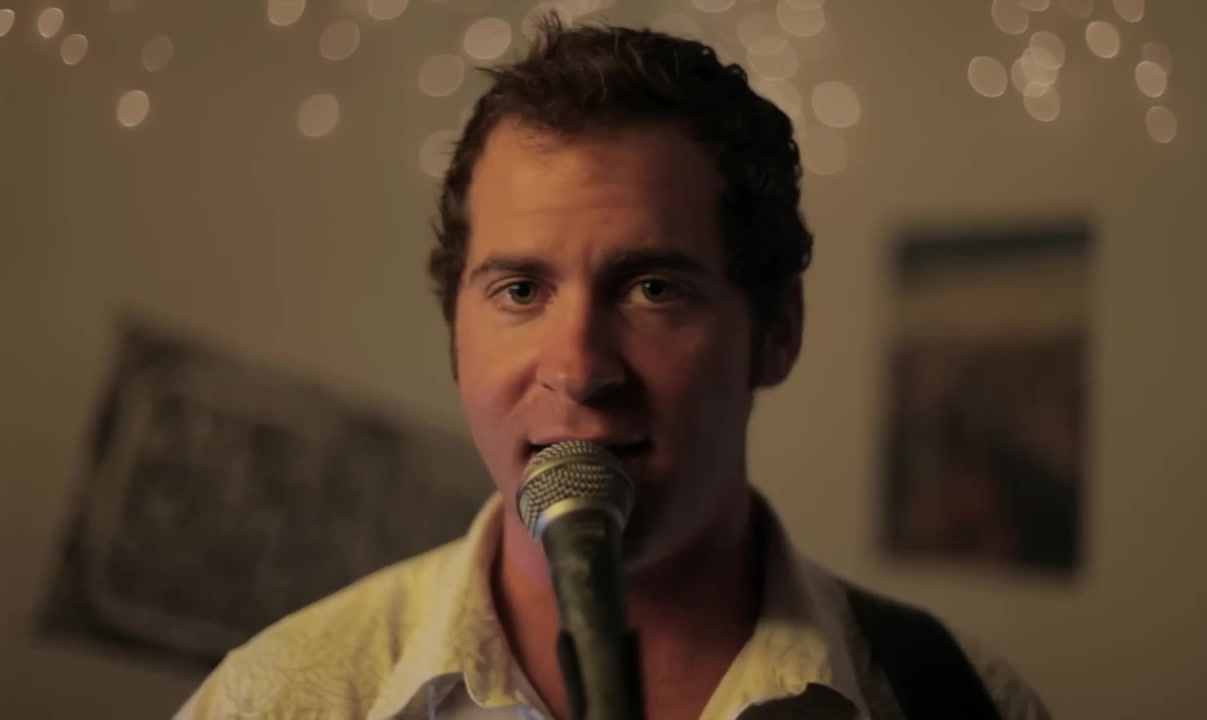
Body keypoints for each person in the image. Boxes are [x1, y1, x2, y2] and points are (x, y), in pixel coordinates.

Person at [177, 16, 1050, 720]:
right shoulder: (274, 700)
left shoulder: (963, 702)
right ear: (455, 333)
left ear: (778, 330)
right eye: (521, 290)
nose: (579, 368)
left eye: (654, 289)